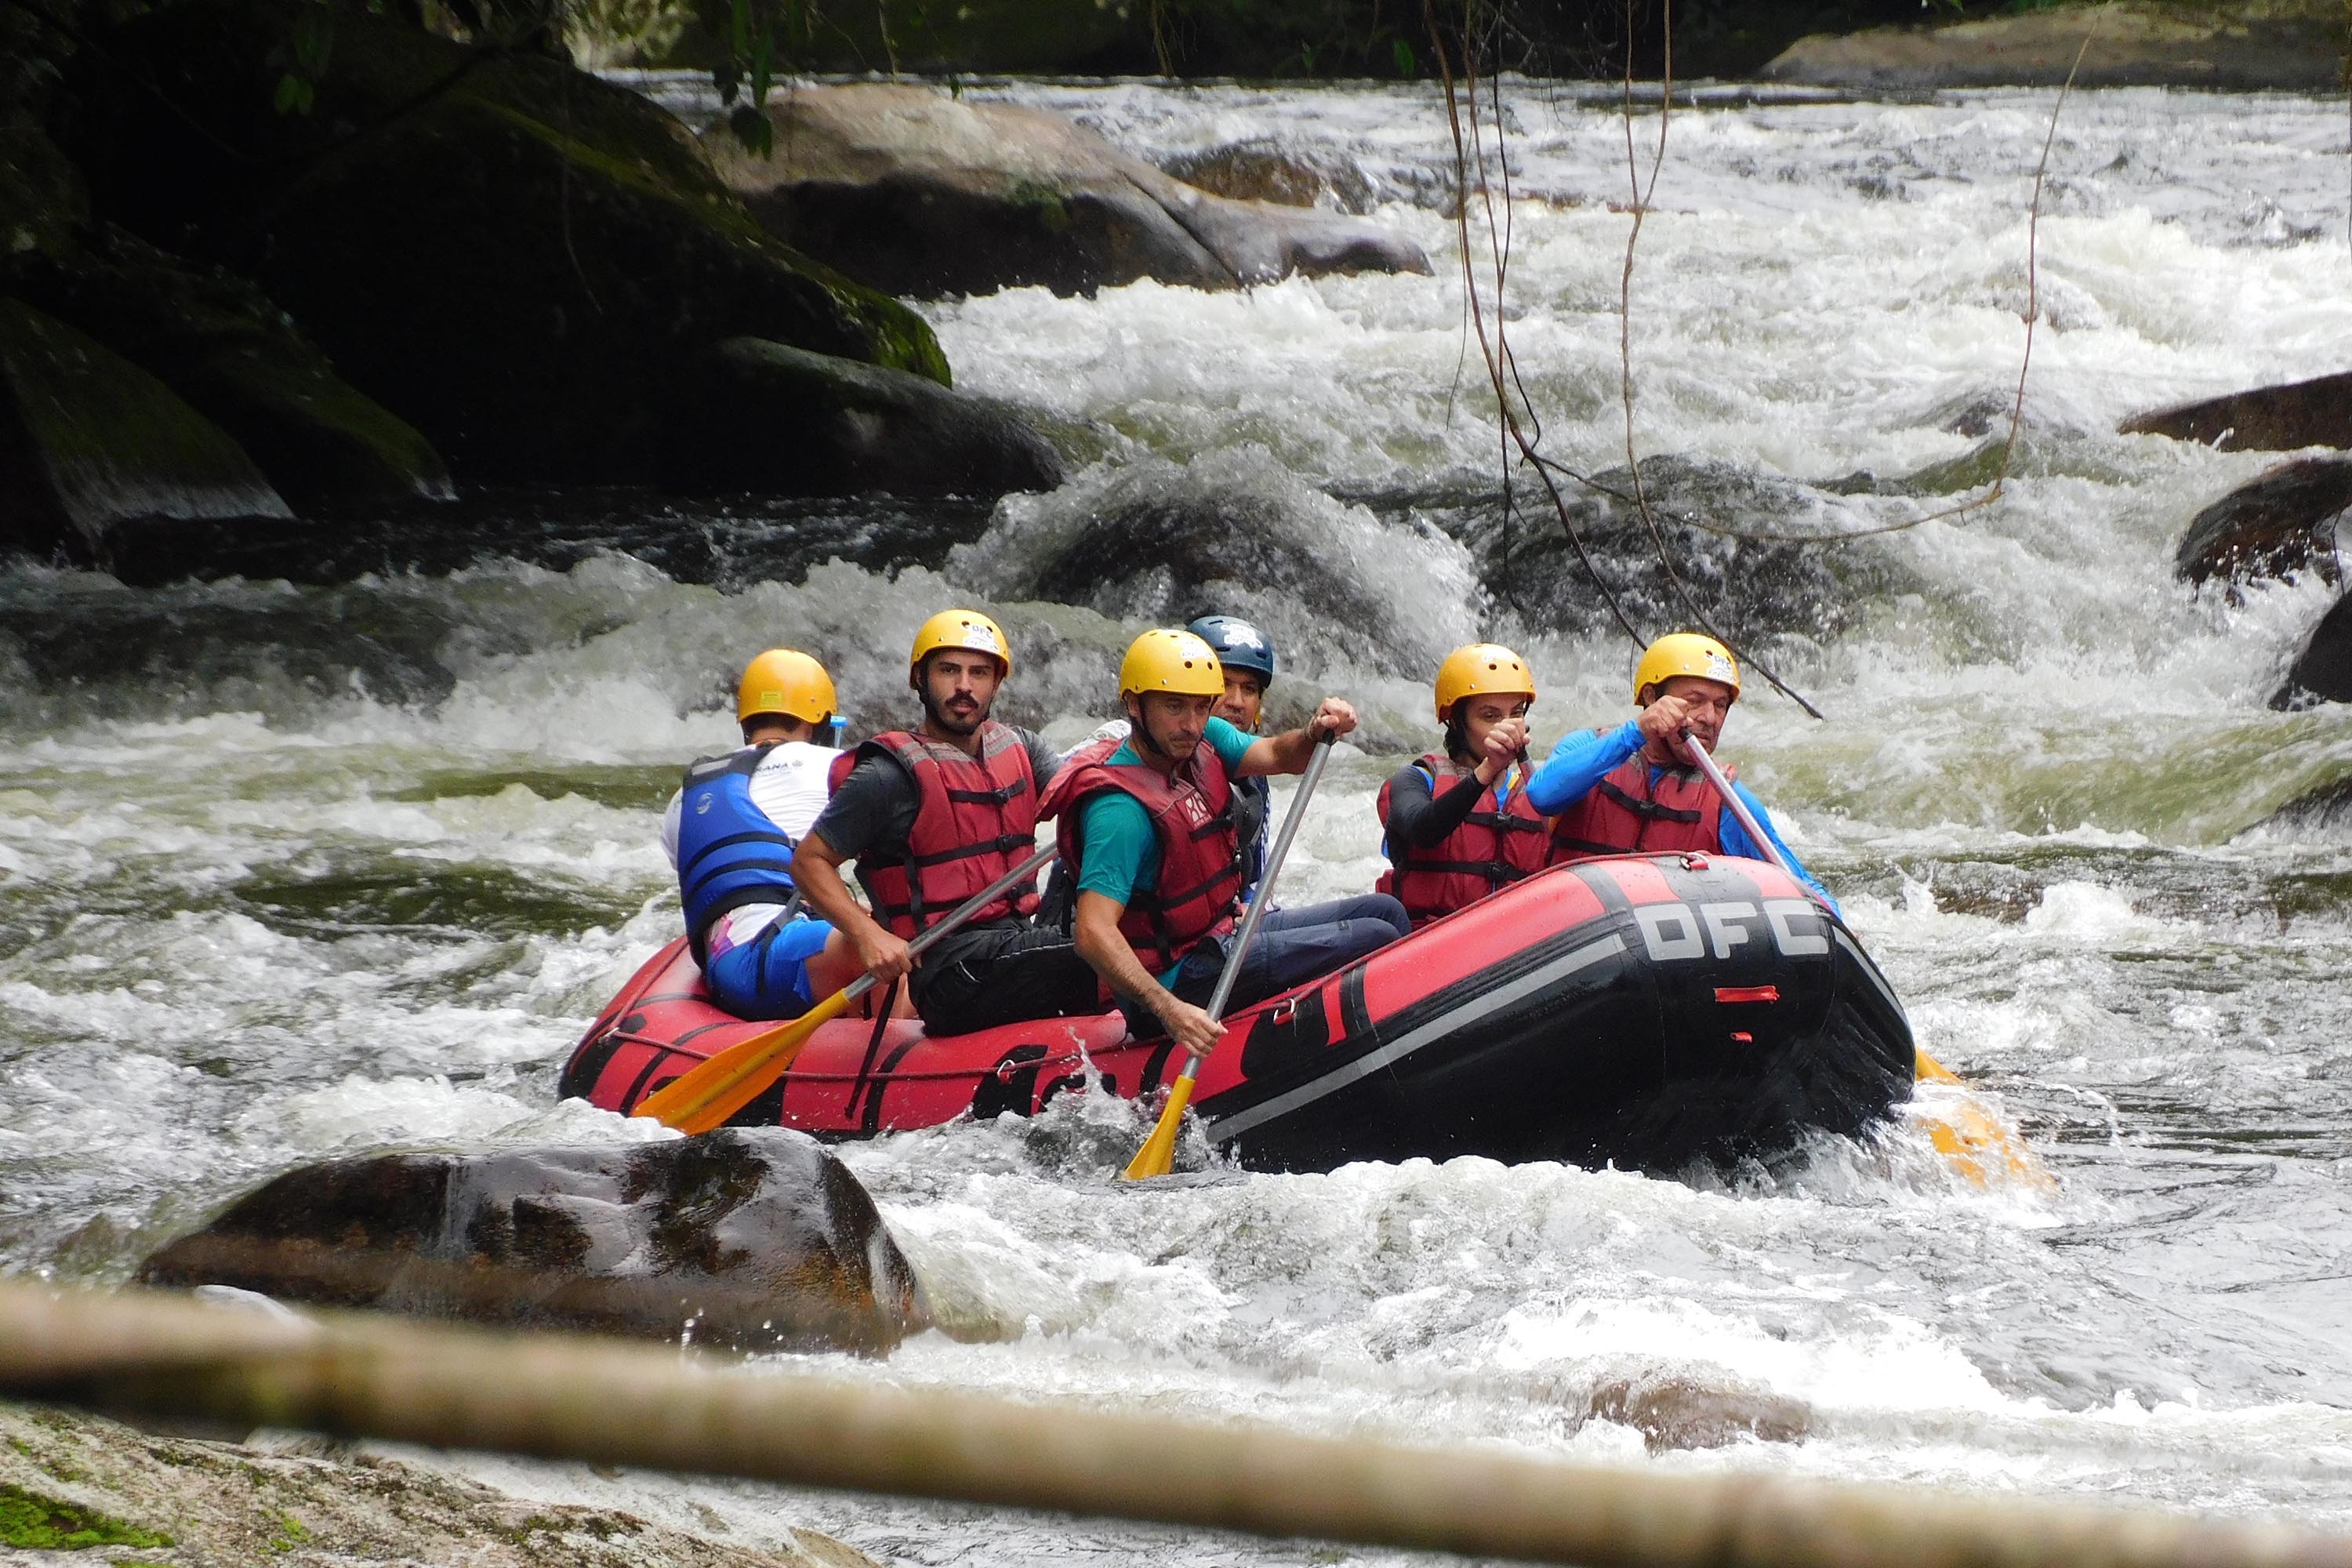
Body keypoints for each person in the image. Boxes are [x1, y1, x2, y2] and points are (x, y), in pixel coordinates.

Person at [1039, 628, 1411, 1058]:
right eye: (1174, 707)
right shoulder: (1119, 811)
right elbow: (1092, 932)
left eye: (1200, 707)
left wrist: (1314, 731)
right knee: (1374, 936)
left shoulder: (1206, 740)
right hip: (1176, 980)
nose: (1191, 724)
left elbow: (1277, 754)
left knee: (1387, 911)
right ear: (1134, 705)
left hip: (1220, 933)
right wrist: (1170, 1010)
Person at [791, 609, 1103, 1036]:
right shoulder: (888, 776)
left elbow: (1091, 805)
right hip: (954, 972)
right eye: (948, 670)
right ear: (918, 678)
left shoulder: (1021, 748)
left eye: (979, 673)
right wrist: (866, 935)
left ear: (996, 682)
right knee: (1109, 956)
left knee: (1081, 869)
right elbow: (809, 861)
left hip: (1018, 936)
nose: (964, 686)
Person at [1526, 633, 1838, 909]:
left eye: (1720, 705)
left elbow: (1800, 885)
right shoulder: (1590, 746)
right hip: (1576, 925)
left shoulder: (1725, 799)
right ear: (1651, 697)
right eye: (1694, 701)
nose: (1709, 717)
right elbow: (1543, 795)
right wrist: (1636, 732)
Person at [663, 648, 870, 1020]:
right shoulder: (829, 766)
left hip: (724, 970)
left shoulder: (685, 797)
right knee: (901, 937)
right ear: (817, 725)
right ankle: (916, 1054)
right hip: (778, 959)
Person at [1375, 643, 1550, 928]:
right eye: (1491, 716)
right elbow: (1422, 829)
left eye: (1516, 713)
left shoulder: (1540, 792)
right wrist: (1487, 770)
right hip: (1431, 946)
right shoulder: (1417, 778)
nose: (1508, 727)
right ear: (1455, 722)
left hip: (1515, 947)